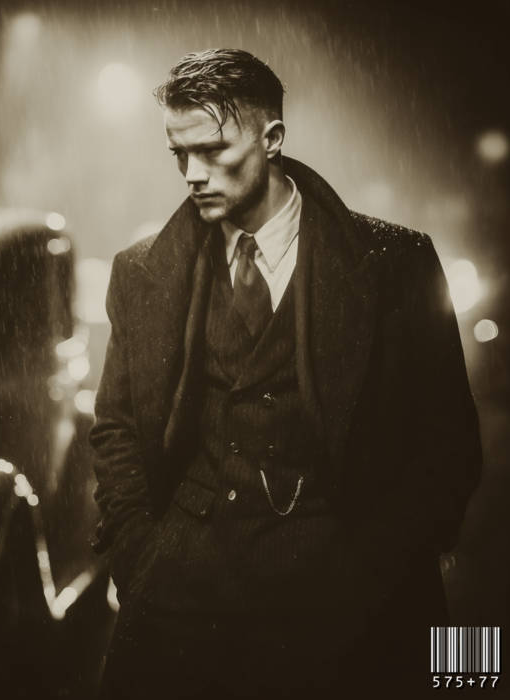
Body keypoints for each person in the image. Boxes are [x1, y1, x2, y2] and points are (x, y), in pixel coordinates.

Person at [89, 48, 481, 699]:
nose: (193, 174)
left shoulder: (396, 264)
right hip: (183, 599)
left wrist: (377, 568)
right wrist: (140, 556)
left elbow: (447, 443)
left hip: (343, 600)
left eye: (214, 150)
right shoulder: (140, 272)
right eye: (179, 155)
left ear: (272, 138)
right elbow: (117, 429)